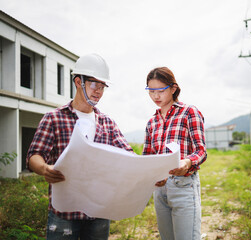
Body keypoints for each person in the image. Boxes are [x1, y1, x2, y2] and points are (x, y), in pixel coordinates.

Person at [26, 53, 133, 240]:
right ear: (78, 81)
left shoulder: (107, 123)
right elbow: (34, 155)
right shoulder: (54, 118)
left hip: (99, 212)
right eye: (94, 84)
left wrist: (148, 171)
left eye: (102, 86)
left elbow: (128, 155)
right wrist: (44, 168)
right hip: (64, 213)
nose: (98, 91)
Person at [142, 67, 207, 240]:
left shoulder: (189, 113)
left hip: (184, 185)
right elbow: (147, 157)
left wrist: (187, 162)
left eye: (161, 91)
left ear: (173, 88)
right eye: (151, 91)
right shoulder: (151, 123)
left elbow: (201, 150)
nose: (156, 96)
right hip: (160, 189)